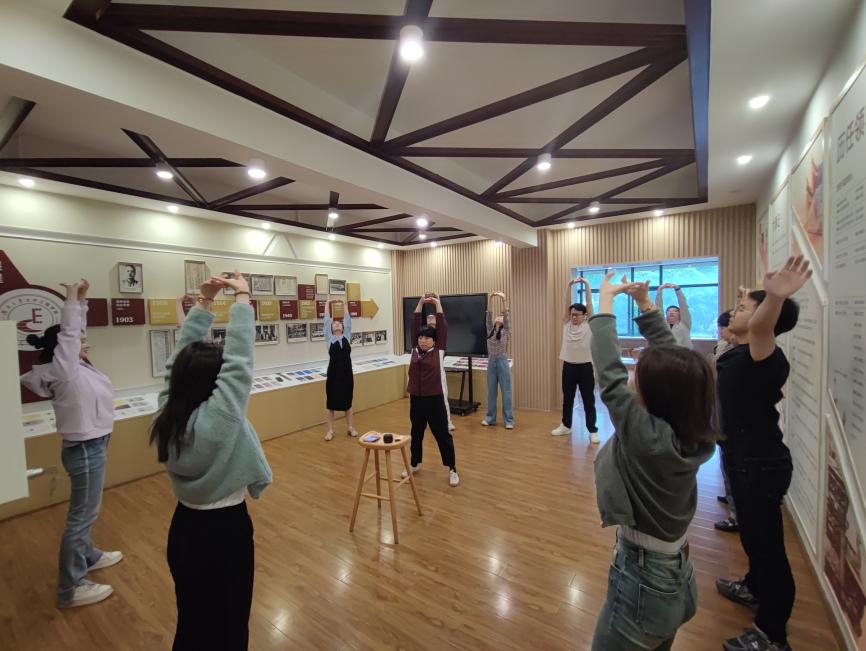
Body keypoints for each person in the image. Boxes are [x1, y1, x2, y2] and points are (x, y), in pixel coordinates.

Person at [589, 272, 717, 650]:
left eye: (638, 374)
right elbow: (682, 366)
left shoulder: (645, 437)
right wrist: (646, 306)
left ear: (654, 392)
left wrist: (606, 303)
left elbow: (609, 374)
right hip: (676, 572)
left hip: (644, 582)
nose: (632, 376)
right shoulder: (693, 427)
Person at [150, 272, 273, 650]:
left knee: (191, 621)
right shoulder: (220, 419)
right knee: (231, 625)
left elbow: (176, 363)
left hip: (184, 528)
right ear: (212, 384)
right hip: (224, 532)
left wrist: (204, 303)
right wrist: (242, 297)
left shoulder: (168, 411)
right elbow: (240, 359)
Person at [716, 256, 811, 651]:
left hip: (759, 463)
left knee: (769, 550)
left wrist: (772, 298)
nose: (734, 312)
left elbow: (758, 326)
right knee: (755, 541)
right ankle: (754, 588)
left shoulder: (763, 356)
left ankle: (772, 634)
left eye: (742, 307)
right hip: (744, 459)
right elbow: (746, 325)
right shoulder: (740, 351)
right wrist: (751, 297)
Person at [20, 278, 122, 608]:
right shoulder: (64, 370)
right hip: (86, 449)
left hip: (93, 445)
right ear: (63, 347)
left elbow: (74, 334)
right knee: (81, 517)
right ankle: (70, 587)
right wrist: (69, 299)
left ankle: (88, 556)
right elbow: (69, 334)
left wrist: (82, 301)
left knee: (86, 512)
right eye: (80, 341)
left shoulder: (74, 367)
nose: (85, 343)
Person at [404, 293, 459, 487]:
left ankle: (452, 469)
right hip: (416, 400)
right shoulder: (414, 350)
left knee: (442, 435)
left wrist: (438, 304)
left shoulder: (438, 351)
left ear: (435, 341)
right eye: (421, 337)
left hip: (434, 399)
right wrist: (420, 302)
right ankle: (414, 463)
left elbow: (442, 325)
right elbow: (414, 322)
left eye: (427, 337)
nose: (423, 340)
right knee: (416, 433)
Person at [552, 277, 599, 443]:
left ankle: (592, 430)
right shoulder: (567, 324)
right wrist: (568, 286)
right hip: (569, 367)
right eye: (572, 314)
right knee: (568, 398)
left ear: (584, 316)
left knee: (588, 400)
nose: (573, 317)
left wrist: (586, 284)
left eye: (577, 315)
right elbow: (566, 304)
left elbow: (589, 303)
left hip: (585, 367)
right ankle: (566, 425)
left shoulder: (589, 324)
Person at [714, 310, 739, 533]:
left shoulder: (739, 353)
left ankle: (736, 514)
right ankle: (731, 498)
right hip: (723, 418)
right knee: (726, 462)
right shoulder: (723, 347)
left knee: (733, 464)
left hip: (733, 422)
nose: (722, 331)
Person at [323, 299, 358, 441]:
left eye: (339, 323)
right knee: (330, 404)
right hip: (333, 376)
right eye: (334, 323)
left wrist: (344, 304)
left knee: (348, 403)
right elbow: (326, 320)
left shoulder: (347, 337)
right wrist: (328, 303)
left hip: (347, 375)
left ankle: (350, 428)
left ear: (343, 328)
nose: (337, 324)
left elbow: (348, 320)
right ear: (331, 328)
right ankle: (330, 431)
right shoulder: (329, 339)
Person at [481, 291, 514, 429]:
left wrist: (503, 299)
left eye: (501, 317)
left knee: (506, 391)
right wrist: (490, 298)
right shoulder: (490, 330)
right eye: (497, 317)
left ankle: (509, 421)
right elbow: (488, 314)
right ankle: (490, 418)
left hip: (502, 361)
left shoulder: (505, 331)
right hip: (491, 361)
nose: (499, 318)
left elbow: (506, 315)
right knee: (491, 391)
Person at [426, 303, 456, 431]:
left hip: (438, 372)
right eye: (428, 318)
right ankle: (429, 421)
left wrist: (437, 302)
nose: (430, 319)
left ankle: (447, 422)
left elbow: (442, 325)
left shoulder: (440, 336)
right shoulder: (424, 336)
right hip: (425, 373)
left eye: (433, 318)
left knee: (443, 398)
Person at [656, 282, 693, 348]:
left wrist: (677, 289)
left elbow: (683, 305)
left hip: (683, 353)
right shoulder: (662, 325)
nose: (671, 313)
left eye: (675, 311)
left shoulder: (685, 324)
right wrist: (659, 290)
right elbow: (658, 308)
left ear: (680, 314)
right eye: (669, 311)